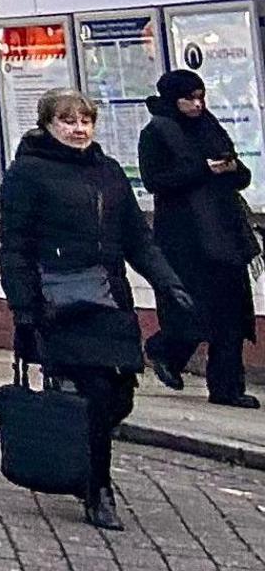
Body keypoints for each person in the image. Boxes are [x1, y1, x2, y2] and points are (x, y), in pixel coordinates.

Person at [0, 89, 192, 531]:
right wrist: (24, 306)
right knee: (95, 393)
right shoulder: (28, 173)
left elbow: (137, 239)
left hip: (110, 299)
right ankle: (97, 488)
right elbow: (15, 246)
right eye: (68, 121)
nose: (78, 129)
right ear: (48, 124)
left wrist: (169, 282)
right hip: (61, 302)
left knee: (120, 395)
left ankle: (81, 459)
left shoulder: (107, 172)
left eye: (85, 120)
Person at [139, 68, 259, 407]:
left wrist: (232, 168)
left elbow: (240, 175)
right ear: (172, 100)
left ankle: (227, 388)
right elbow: (155, 181)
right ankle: (165, 350)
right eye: (189, 99)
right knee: (192, 308)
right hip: (185, 236)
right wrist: (203, 169)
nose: (197, 104)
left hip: (225, 232)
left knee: (231, 313)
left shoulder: (210, 126)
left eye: (200, 97)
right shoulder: (156, 133)